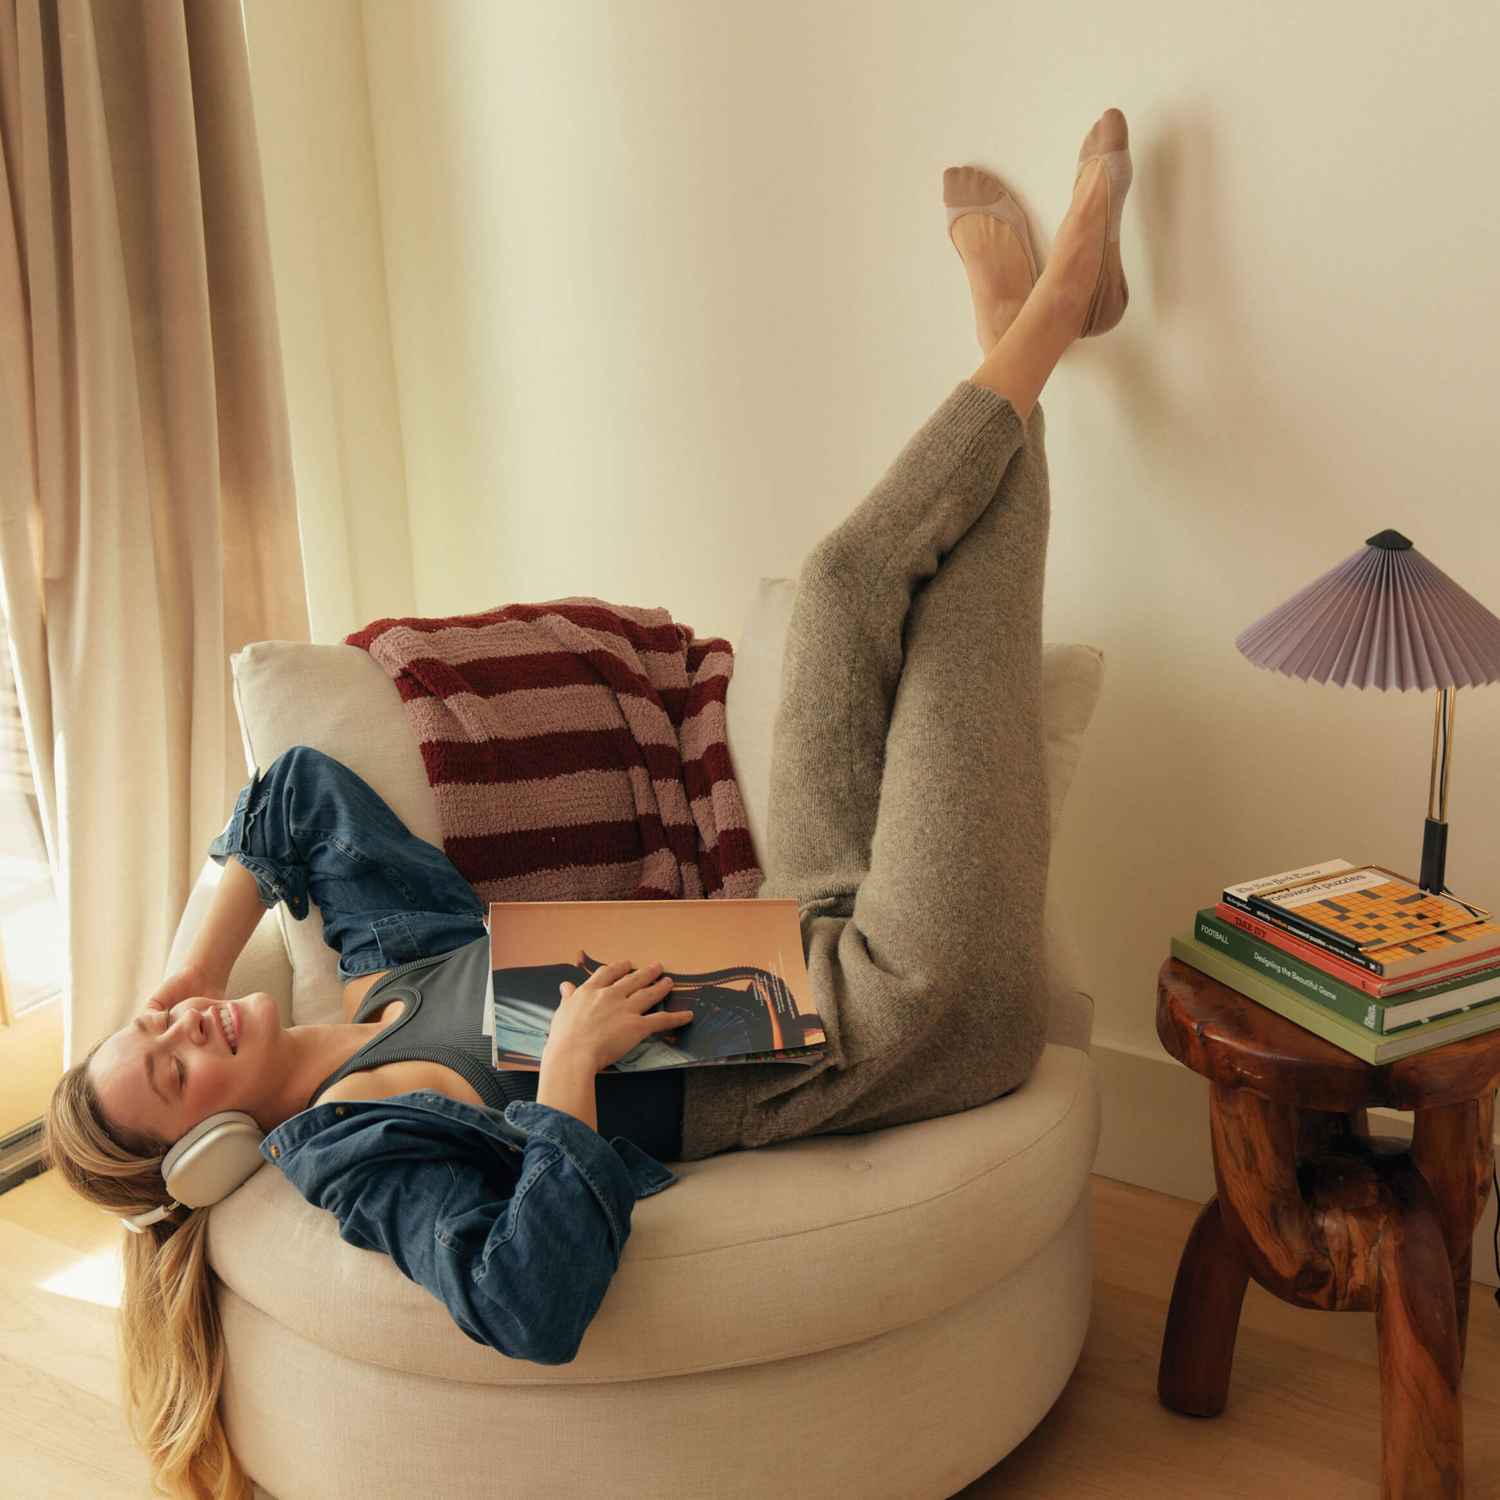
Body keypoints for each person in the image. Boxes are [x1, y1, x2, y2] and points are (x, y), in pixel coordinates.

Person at [43, 107, 1133, 1500]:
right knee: (963, 626)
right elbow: (524, 1304)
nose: (185, 1030)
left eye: (155, 1029)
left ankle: (1026, 336)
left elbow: (291, 798)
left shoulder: (384, 962)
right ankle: (1045, 307)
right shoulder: (357, 1151)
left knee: (848, 584)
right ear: (203, 1149)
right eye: (176, 1072)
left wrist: (179, 981)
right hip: (898, 1012)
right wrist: (566, 1076)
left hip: (788, 922)